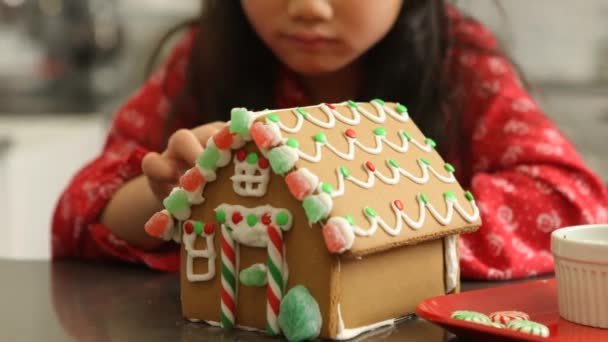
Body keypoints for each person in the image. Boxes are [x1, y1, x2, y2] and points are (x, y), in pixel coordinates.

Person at [52, 0, 608, 279]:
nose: (310, 9)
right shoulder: (203, 60)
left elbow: (569, 202)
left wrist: (371, 227)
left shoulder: (458, 64)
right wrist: (166, 194)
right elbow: (81, 211)